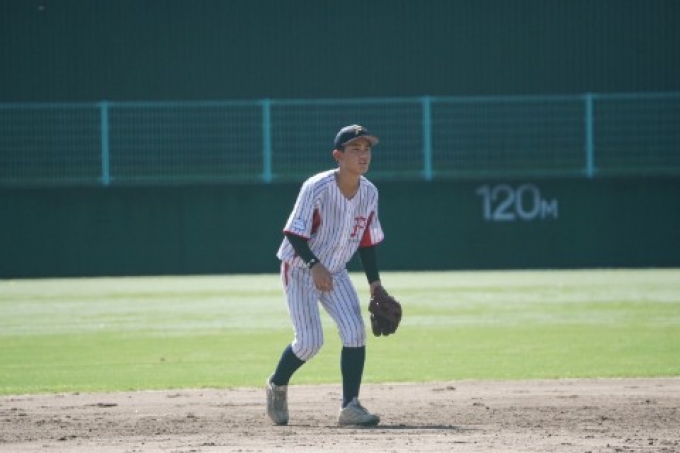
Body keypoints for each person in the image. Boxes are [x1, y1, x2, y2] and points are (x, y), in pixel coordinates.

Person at [266, 124, 387, 426]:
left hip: (336, 270)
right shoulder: (317, 187)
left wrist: (375, 284)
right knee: (309, 342)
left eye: (367, 149)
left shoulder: (369, 192)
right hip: (299, 268)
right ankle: (277, 384)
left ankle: (350, 407)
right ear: (338, 155)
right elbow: (294, 232)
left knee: (355, 331)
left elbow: (367, 241)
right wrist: (313, 264)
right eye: (355, 149)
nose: (363, 155)